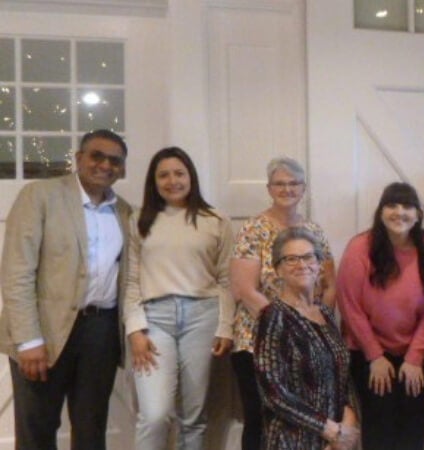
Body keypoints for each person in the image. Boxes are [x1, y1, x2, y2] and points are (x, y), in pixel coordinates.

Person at [0, 129, 132, 449]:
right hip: (45, 330)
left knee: (91, 427)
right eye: (96, 156)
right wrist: (29, 340)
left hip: (101, 331)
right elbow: (17, 272)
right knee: (37, 427)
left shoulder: (125, 211)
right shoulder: (40, 195)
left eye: (114, 160)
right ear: (79, 158)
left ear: (122, 168)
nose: (105, 165)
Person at [123, 147, 235, 449]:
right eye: (163, 175)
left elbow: (226, 280)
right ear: (154, 181)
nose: (172, 181)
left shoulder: (215, 220)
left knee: (193, 415)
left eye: (179, 173)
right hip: (154, 320)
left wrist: (225, 326)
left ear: (190, 177)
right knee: (154, 414)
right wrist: (134, 329)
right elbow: (131, 280)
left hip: (203, 317)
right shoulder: (139, 220)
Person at [229, 156, 336, 450]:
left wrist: (318, 327)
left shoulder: (314, 231)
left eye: (293, 184)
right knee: (260, 418)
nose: (286, 189)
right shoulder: (253, 229)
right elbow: (244, 289)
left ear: (303, 189)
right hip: (257, 341)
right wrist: (286, 324)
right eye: (280, 183)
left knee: (304, 418)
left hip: (307, 345)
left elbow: (329, 286)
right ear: (269, 188)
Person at [337, 182, 424, 450]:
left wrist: (415, 356)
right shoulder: (360, 247)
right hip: (369, 352)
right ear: (380, 211)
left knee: (413, 420)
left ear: (418, 214)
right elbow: (349, 304)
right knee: (379, 421)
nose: (399, 212)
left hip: (417, 351)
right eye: (391, 205)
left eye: (407, 206)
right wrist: (374, 355)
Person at [254, 228, 360, 450]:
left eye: (308, 257)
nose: (301, 265)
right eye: (291, 259)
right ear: (277, 270)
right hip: (292, 440)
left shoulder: (326, 313)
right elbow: (274, 393)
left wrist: (347, 423)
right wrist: (329, 429)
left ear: (320, 265)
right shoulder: (273, 316)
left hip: (334, 440)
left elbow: (342, 374)